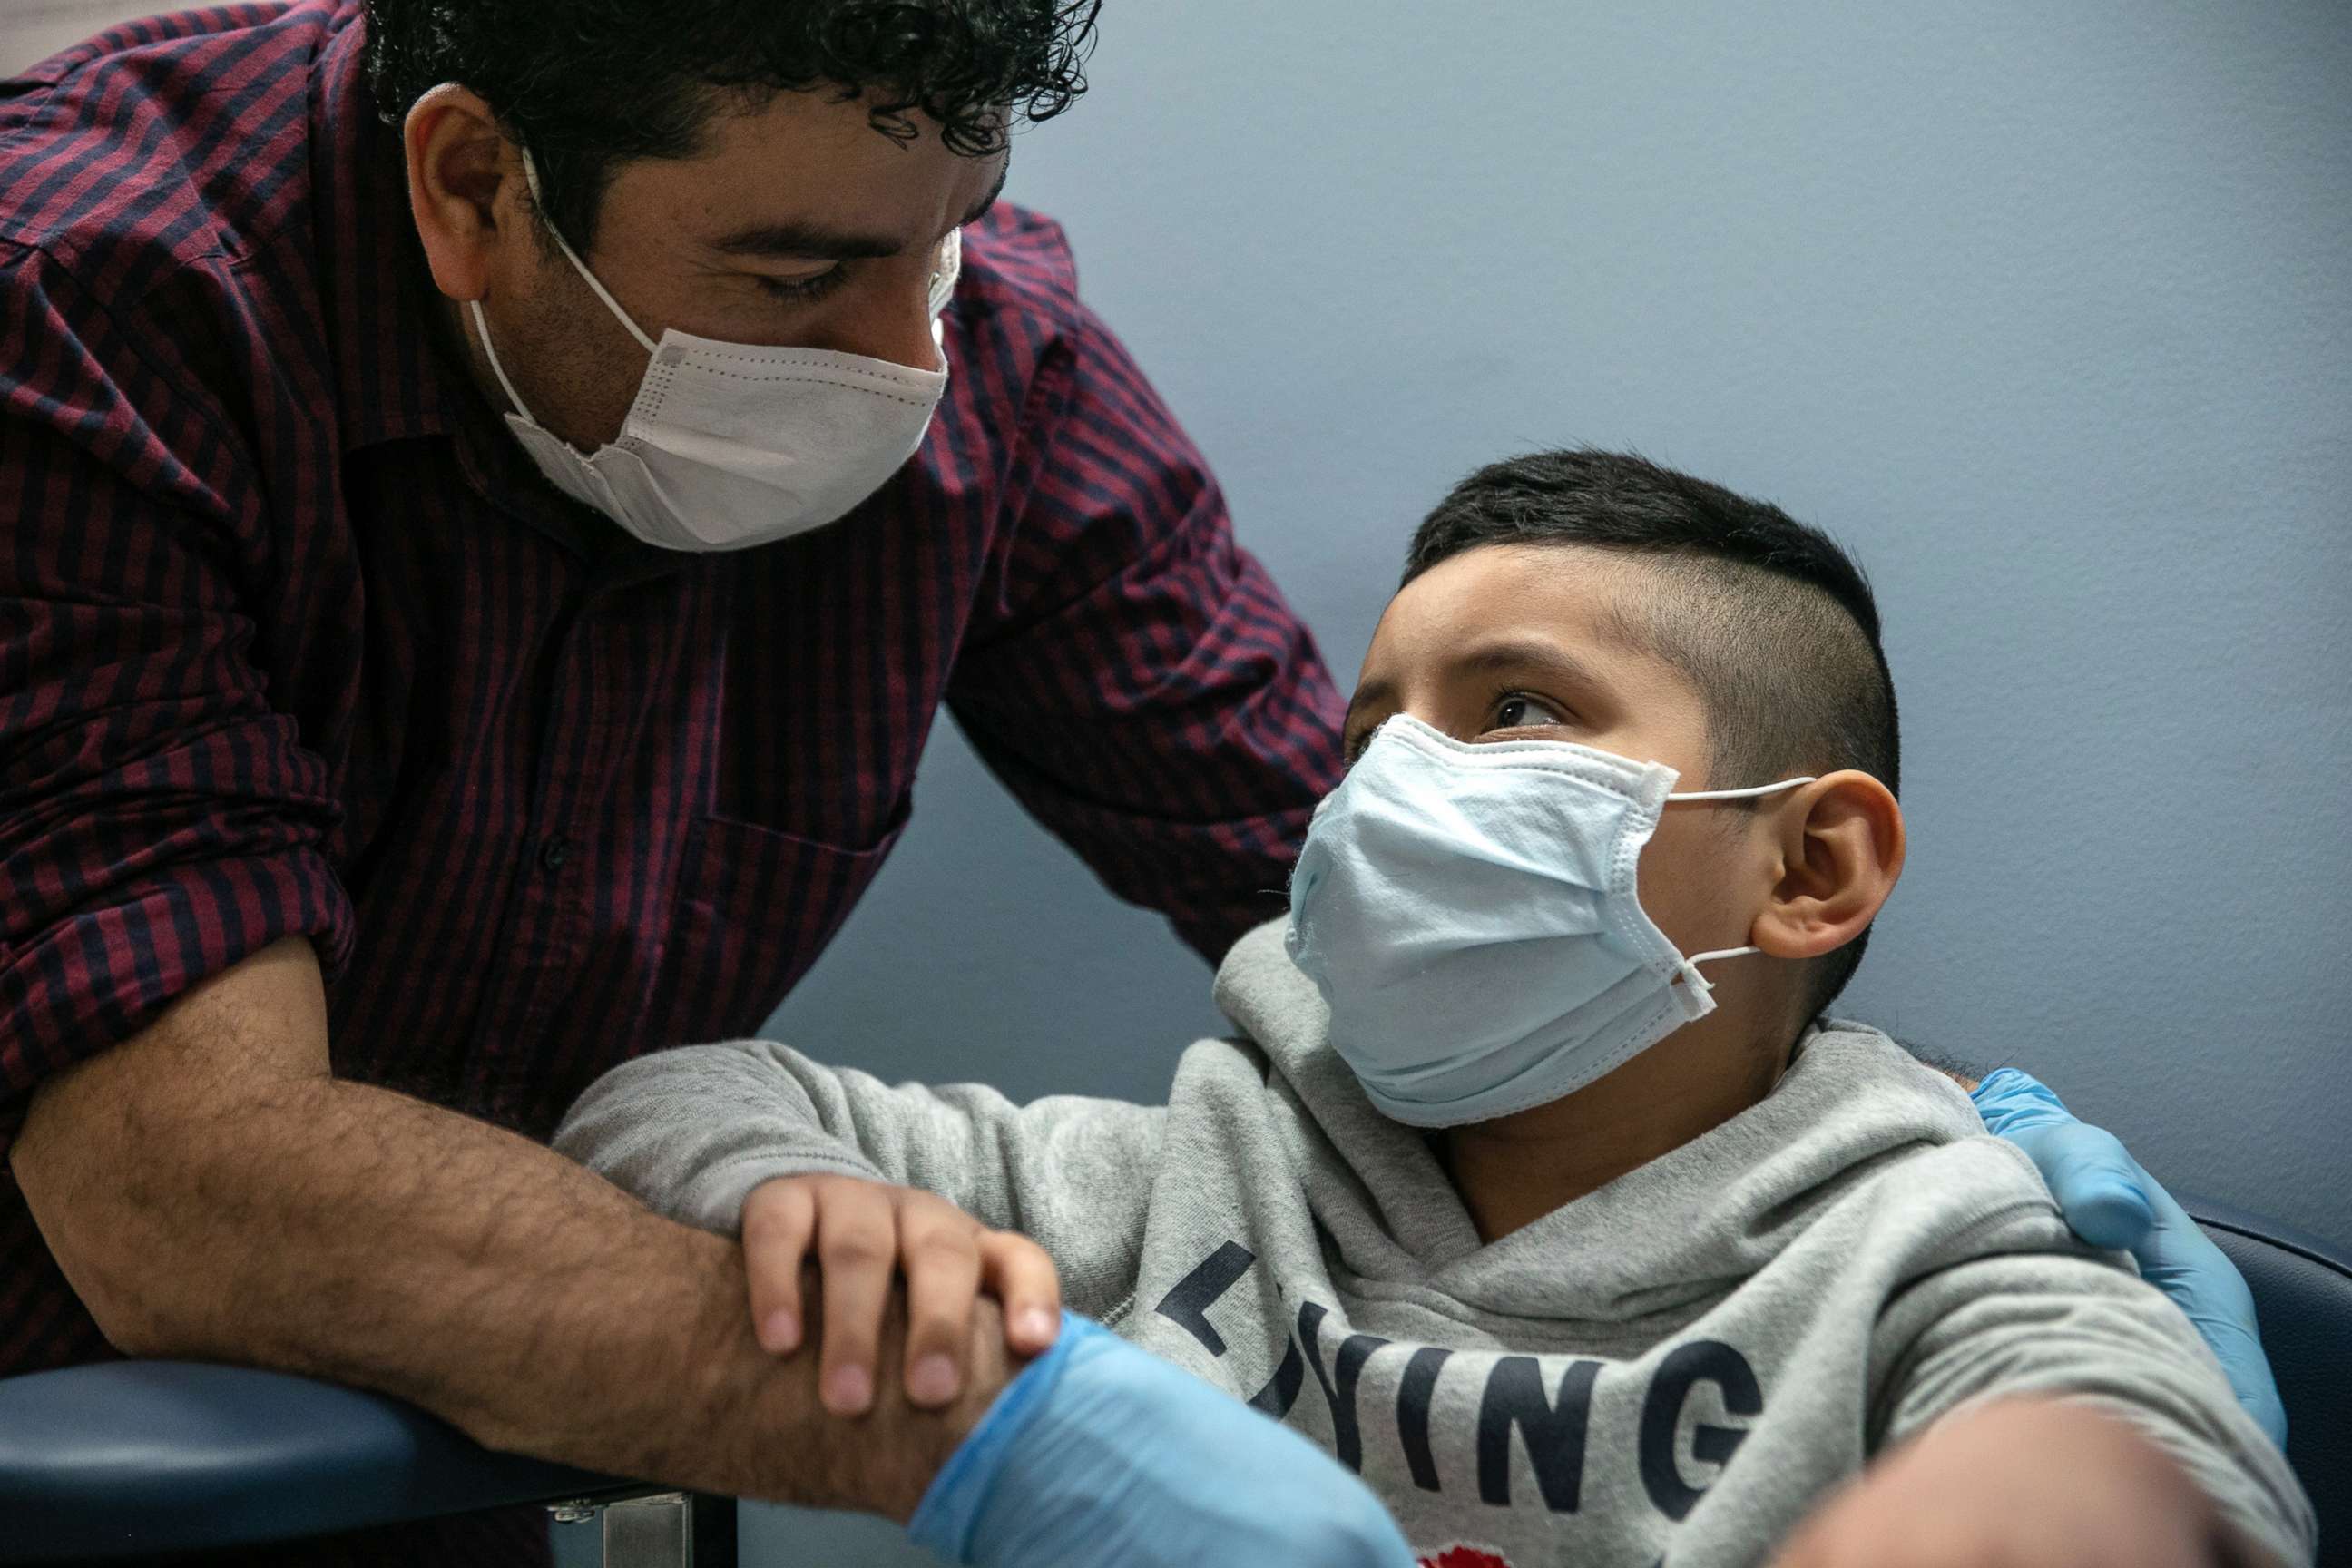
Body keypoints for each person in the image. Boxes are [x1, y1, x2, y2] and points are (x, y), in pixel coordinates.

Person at [0, 0, 2274, 1556]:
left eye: (947, 249)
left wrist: (1946, 1204)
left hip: (467, 1422)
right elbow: (189, 1185)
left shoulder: (1931, 1243)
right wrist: (982, 1417)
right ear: (474, 185)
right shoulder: (84, 303)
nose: (916, 368)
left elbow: (1366, 903)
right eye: (800, 274)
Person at [554, 450, 2313, 1568]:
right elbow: (662, 1105)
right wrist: (821, 1208)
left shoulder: (1926, 1238)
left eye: (1520, 711)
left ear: (1811, 868)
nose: (1391, 789)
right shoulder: (1208, 1166)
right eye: (1366, 735)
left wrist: (2058, 1491)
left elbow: (2126, 1437)